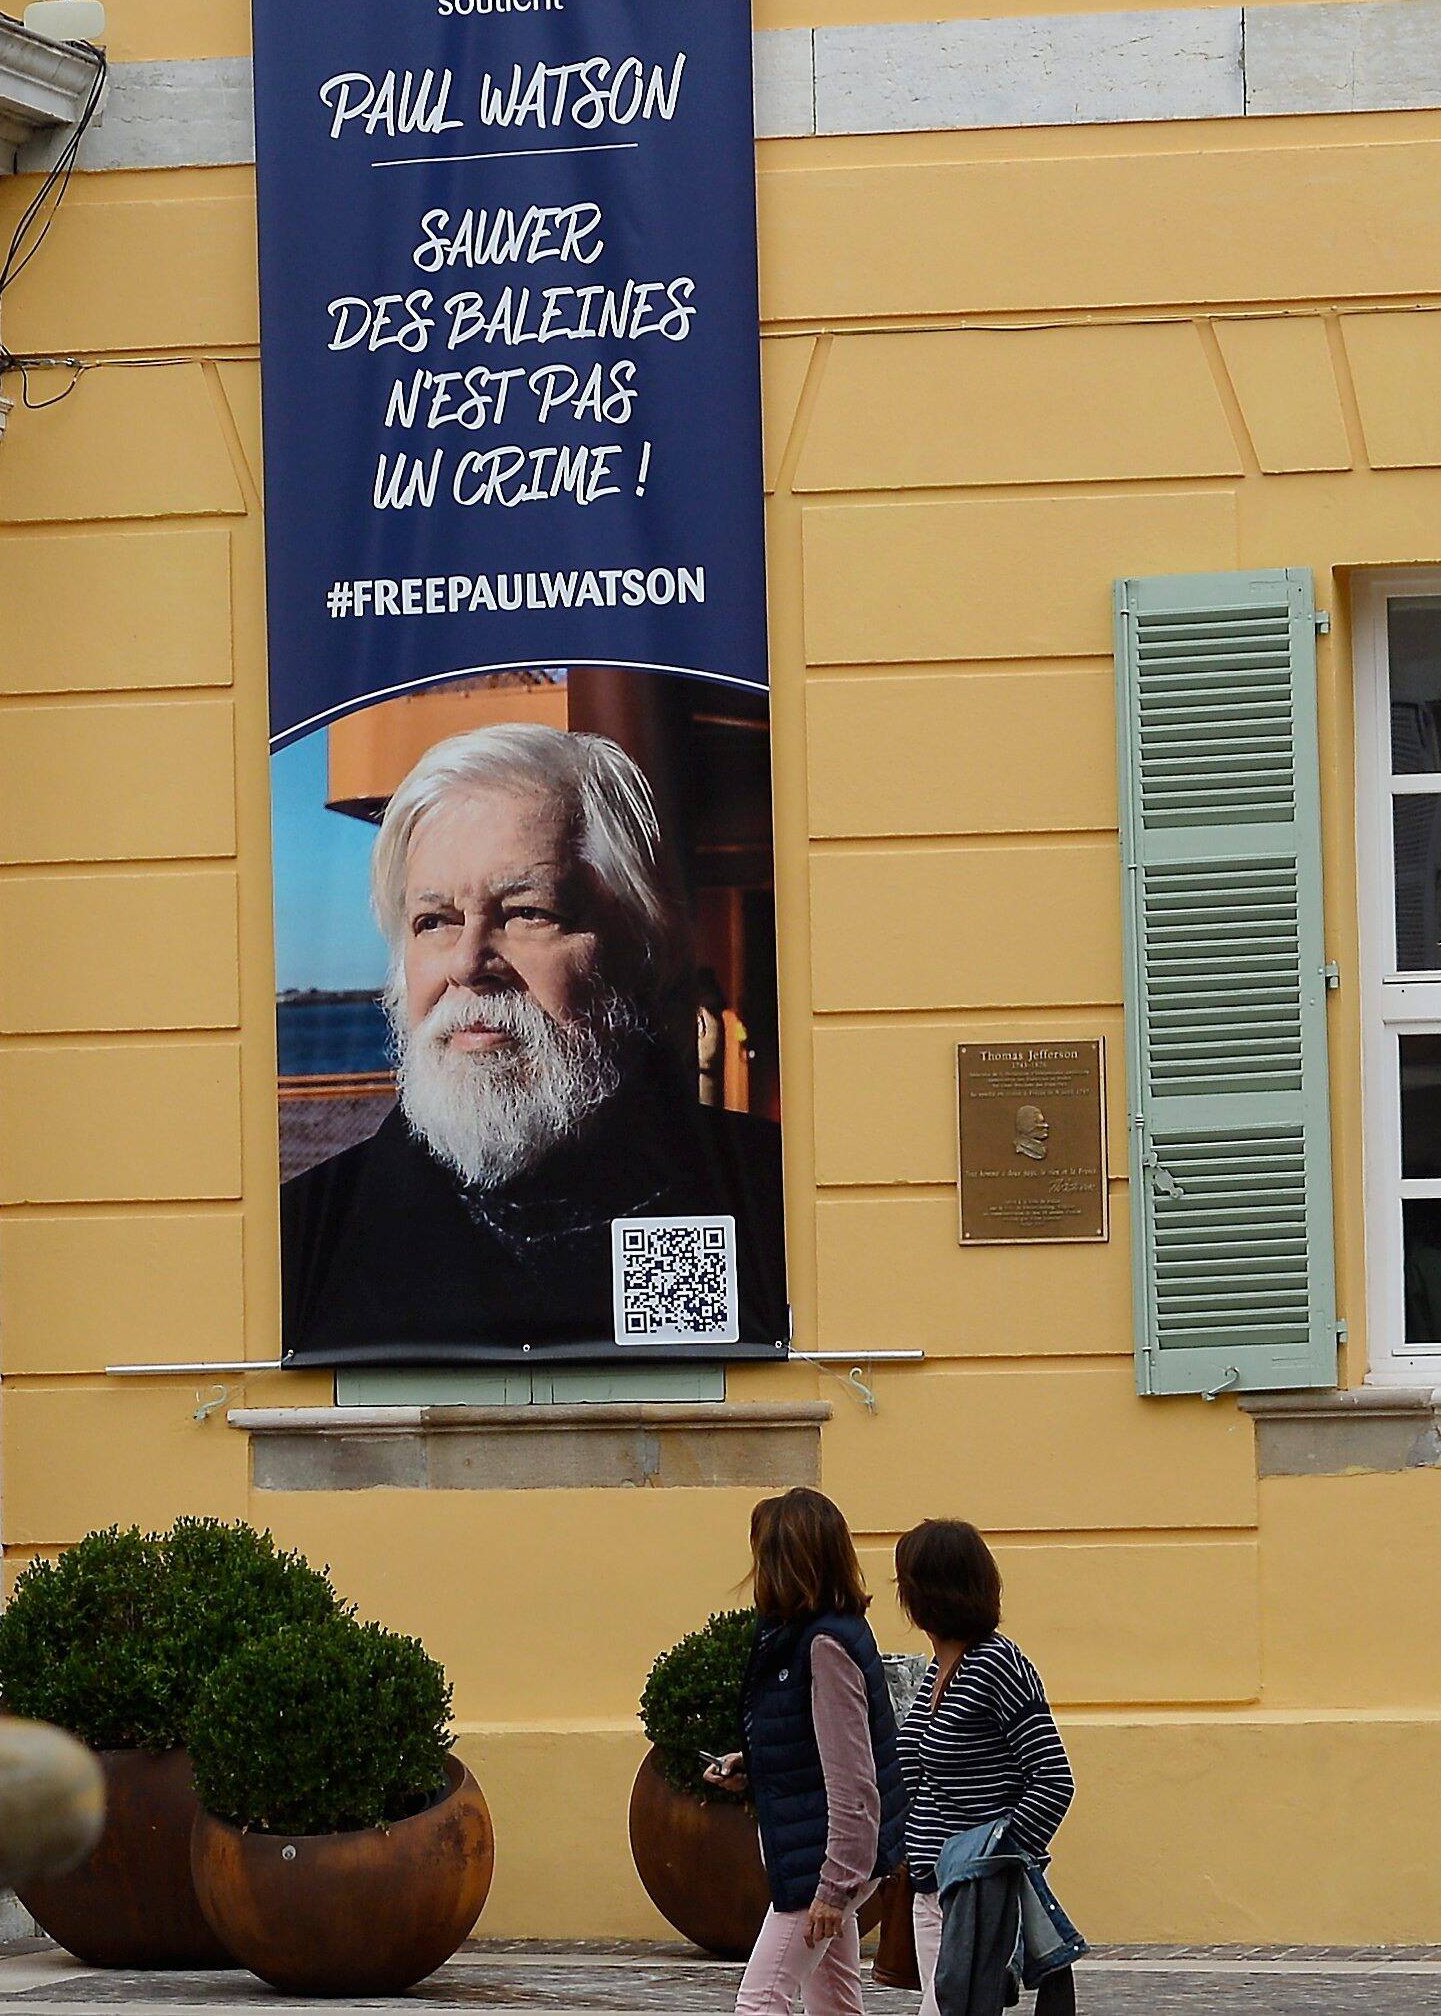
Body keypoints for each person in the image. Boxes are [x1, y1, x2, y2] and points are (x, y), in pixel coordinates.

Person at [281, 723, 787, 1357]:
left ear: (642, 948)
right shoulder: (297, 1245)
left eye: (528, 913)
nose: (468, 963)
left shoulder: (782, 1210)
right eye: (433, 922)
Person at [698, 1488, 899, 2016]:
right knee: (833, 2006)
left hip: (823, 1863)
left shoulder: (823, 1646)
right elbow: (820, 1748)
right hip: (826, 1857)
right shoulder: (806, 1636)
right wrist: (754, 1767)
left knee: (760, 2001)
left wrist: (833, 1890)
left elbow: (856, 1783)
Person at [892, 1520, 1080, 2016]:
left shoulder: (998, 1664)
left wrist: (994, 1860)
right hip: (930, 1892)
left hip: (973, 1896)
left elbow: (1054, 1780)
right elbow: (912, 1774)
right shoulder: (938, 1668)